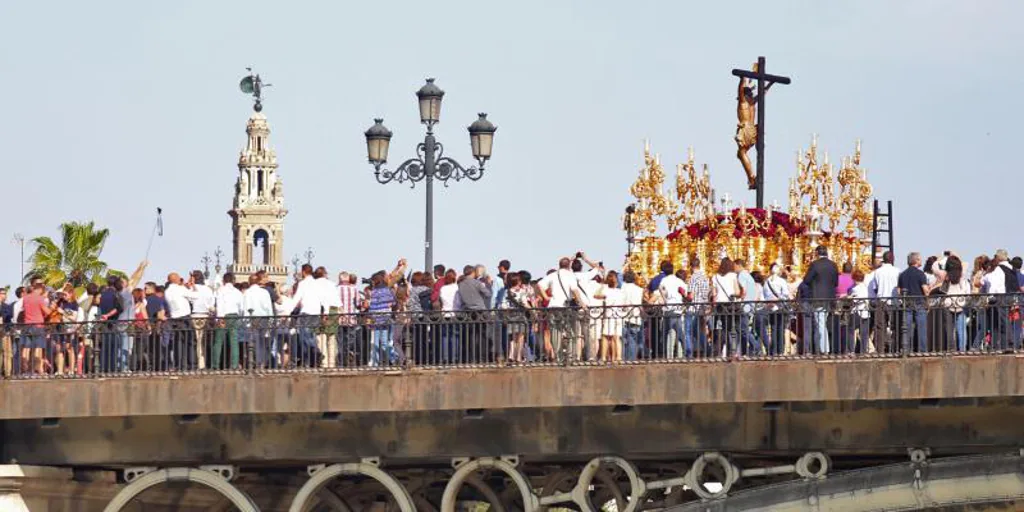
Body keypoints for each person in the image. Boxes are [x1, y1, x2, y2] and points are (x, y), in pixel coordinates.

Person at [802, 245, 839, 355]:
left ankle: (824, 350)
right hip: (829, 298)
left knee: (820, 324)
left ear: (817, 253)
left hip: (817, 298)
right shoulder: (833, 265)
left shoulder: (815, 265)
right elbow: (836, 283)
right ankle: (824, 348)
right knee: (822, 323)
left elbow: (806, 280)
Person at [291, 264, 324, 366]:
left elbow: (296, 298)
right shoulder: (317, 284)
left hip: (306, 312)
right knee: (312, 335)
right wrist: (325, 311)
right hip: (316, 313)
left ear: (303, 272)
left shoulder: (303, 283)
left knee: (304, 338)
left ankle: (309, 358)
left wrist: (289, 311)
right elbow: (323, 298)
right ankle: (314, 358)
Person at [868, 250, 901, 353]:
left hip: (881, 300)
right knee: (896, 326)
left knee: (880, 327)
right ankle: (895, 348)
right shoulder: (898, 271)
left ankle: (880, 349)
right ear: (892, 259)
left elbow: (875, 287)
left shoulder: (878, 272)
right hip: (894, 301)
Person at [898, 252, 931, 353]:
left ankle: (906, 349)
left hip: (907, 302)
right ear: (916, 261)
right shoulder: (921, 274)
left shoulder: (902, 274)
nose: (921, 261)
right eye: (920, 259)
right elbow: (925, 290)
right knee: (921, 328)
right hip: (919, 302)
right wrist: (928, 303)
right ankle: (922, 350)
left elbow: (899, 291)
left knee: (906, 328)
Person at [711, 257, 742, 357]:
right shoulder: (733, 275)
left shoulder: (715, 277)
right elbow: (737, 291)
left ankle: (717, 351)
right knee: (731, 329)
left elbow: (714, 294)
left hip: (720, 307)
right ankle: (731, 352)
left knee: (720, 329)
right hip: (730, 305)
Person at [242, 274, 274, 368]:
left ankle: (255, 363)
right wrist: (271, 321)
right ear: (258, 281)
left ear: (249, 282)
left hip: (252, 319)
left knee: (254, 343)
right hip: (264, 319)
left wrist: (245, 321)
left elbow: (245, 307)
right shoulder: (264, 292)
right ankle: (262, 364)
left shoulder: (247, 292)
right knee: (263, 342)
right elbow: (269, 308)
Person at [213, 273, 243, 370]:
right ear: (233, 281)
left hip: (224, 316)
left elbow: (220, 304)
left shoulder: (221, 290)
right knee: (234, 342)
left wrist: (219, 318)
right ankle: (234, 365)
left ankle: (215, 365)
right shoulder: (237, 292)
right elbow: (241, 308)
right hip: (234, 316)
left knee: (218, 341)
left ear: (224, 280)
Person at [19, 283, 51, 375]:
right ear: (40, 289)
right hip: (38, 325)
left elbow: (24, 310)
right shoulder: (40, 298)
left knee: (26, 348)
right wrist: (52, 308)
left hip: (27, 325)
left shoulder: (25, 298)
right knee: (38, 347)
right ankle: (38, 369)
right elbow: (47, 312)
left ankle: (25, 369)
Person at [658, 262, 688, 359]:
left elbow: (661, 289)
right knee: (679, 333)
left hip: (668, 309)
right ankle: (681, 354)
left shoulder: (664, 280)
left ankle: (669, 356)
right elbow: (686, 292)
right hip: (678, 309)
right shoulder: (678, 280)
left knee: (669, 334)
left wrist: (665, 298)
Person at [595, 271, 624, 361]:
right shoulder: (620, 292)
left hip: (609, 315)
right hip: (619, 315)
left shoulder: (606, 291)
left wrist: (603, 285)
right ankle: (618, 357)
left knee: (606, 337)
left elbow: (596, 295)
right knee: (617, 338)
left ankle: (603, 357)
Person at [762, 263, 790, 356]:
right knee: (777, 328)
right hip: (776, 307)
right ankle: (778, 350)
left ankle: (776, 350)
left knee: (776, 328)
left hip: (774, 306)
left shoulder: (768, 281)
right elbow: (785, 294)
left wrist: (771, 301)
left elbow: (765, 295)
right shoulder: (777, 281)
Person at [686, 259, 711, 357]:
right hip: (702, 307)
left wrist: (685, 297)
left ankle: (689, 353)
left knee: (688, 331)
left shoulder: (693, 278)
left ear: (691, 267)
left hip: (693, 308)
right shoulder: (705, 277)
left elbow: (691, 296)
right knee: (698, 331)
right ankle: (707, 349)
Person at [620, 271, 645, 361]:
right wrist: (644, 314)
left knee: (623, 341)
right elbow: (638, 304)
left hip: (623, 317)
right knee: (633, 341)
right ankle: (631, 360)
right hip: (635, 317)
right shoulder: (639, 290)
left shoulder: (622, 288)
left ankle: (623, 359)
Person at [847, 269, 871, 354]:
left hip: (857, 311)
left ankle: (851, 350)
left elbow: (854, 299)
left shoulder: (855, 288)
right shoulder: (865, 287)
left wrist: (848, 297)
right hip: (866, 312)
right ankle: (864, 350)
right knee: (864, 333)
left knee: (850, 330)